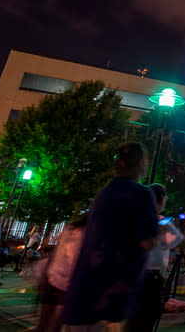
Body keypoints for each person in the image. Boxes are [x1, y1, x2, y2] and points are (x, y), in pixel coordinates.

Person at [62, 142, 158, 332]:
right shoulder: (141, 194)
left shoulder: (103, 194)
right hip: (111, 297)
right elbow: (148, 242)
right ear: (140, 163)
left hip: (82, 294)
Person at [129, 183, 185, 332]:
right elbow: (183, 243)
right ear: (161, 200)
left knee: (132, 321)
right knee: (146, 321)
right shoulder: (162, 222)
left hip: (132, 276)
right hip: (151, 279)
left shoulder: (135, 218)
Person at [36, 215, 87, 332]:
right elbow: (73, 260)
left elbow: (55, 253)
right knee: (55, 325)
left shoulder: (68, 230)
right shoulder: (83, 235)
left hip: (51, 277)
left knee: (43, 322)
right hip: (64, 285)